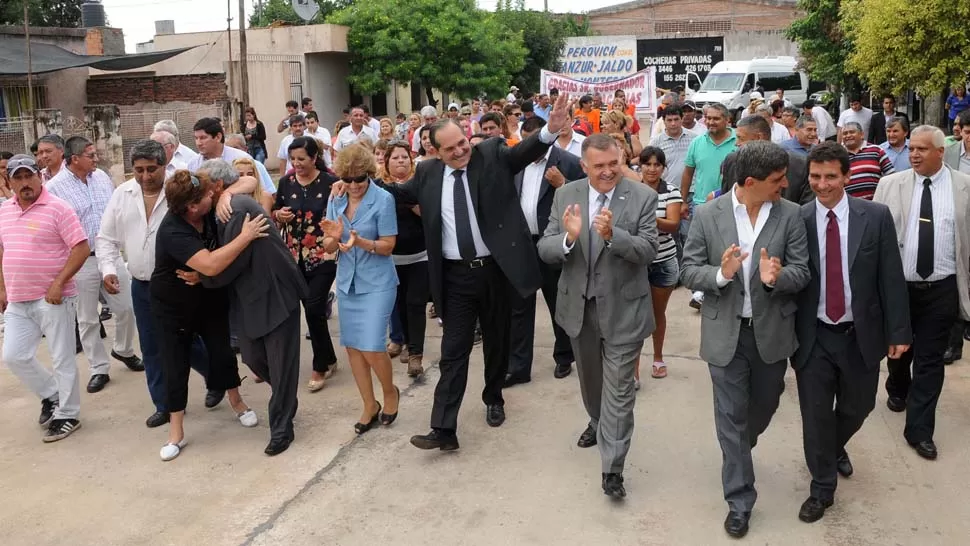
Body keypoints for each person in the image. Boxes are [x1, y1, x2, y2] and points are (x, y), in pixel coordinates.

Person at [348, 94, 571, 452]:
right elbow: (398, 192)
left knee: (497, 342)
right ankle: (443, 428)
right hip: (455, 278)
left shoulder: (492, 155)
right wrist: (355, 183)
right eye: (450, 148)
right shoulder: (428, 173)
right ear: (435, 151)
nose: (460, 151)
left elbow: (522, 153)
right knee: (453, 350)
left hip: (496, 271)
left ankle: (493, 396)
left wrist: (550, 131)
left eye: (463, 143)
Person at [681, 141, 810, 538]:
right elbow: (688, 270)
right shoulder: (708, 214)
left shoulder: (790, 216)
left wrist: (778, 278)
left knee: (764, 406)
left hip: (771, 334)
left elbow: (802, 271)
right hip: (725, 334)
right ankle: (739, 499)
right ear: (750, 182)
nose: (785, 185)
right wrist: (720, 275)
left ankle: (738, 446)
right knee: (731, 417)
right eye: (777, 180)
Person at [792, 142, 911, 523]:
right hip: (814, 334)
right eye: (815, 176)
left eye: (830, 176)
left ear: (846, 176)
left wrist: (899, 332)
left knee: (859, 407)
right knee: (815, 414)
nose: (822, 184)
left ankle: (833, 445)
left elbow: (891, 278)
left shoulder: (875, 217)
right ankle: (821, 487)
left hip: (861, 334)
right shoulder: (797, 219)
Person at [537, 134, 659, 498]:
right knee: (592, 383)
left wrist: (613, 235)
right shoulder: (566, 195)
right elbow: (545, 247)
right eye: (599, 166)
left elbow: (649, 250)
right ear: (585, 166)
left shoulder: (642, 197)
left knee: (620, 389)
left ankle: (613, 468)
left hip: (625, 309)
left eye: (614, 164)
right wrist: (568, 239)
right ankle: (596, 420)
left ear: (622, 160)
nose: (608, 172)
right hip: (579, 308)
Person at [96, 140, 219, 428]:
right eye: (138, 170)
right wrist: (108, 269)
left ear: (164, 165)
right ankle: (164, 404)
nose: (145, 176)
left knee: (186, 341)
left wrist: (204, 271)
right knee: (152, 346)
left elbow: (208, 222)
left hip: (181, 282)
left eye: (152, 169)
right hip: (141, 285)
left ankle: (218, 378)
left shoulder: (179, 193)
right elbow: (106, 238)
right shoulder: (122, 194)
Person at [151, 170, 265, 461]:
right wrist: (246, 236)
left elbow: (249, 180)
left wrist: (227, 193)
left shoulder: (211, 205)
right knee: (175, 363)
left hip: (208, 294)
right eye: (207, 196)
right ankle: (176, 431)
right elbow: (212, 264)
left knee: (222, 351)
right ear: (191, 207)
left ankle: (237, 402)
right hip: (173, 303)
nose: (213, 195)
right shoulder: (173, 230)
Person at [195, 163, 307, 456]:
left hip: (275, 291)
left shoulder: (237, 208)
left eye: (207, 187)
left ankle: (282, 427)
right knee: (254, 357)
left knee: (280, 363)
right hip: (250, 296)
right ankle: (286, 397)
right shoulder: (224, 204)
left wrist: (202, 275)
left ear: (217, 187)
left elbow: (232, 261)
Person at [873, 125, 970, 461]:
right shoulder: (889, 186)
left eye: (922, 149)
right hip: (899, 287)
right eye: (911, 149)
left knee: (930, 360)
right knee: (899, 352)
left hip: (942, 286)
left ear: (941, 152)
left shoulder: (964, 187)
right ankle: (897, 387)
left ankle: (919, 430)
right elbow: (875, 239)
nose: (913, 154)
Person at [0, 154, 89, 442]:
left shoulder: (58, 208)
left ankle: (68, 413)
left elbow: (80, 248)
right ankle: (51, 394)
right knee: (13, 355)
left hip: (54, 298)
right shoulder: (4, 211)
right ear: (9, 181)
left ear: (40, 177)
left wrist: (59, 283)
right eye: (18, 178)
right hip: (18, 298)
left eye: (30, 176)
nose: (25, 183)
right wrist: (2, 288)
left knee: (62, 357)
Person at [46, 136, 143, 394]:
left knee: (126, 308)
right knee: (87, 319)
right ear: (74, 158)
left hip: (109, 254)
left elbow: (116, 212)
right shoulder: (55, 187)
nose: (96, 158)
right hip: (81, 261)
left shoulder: (101, 177)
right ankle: (99, 368)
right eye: (91, 154)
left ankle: (123, 349)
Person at [320, 144, 401, 434]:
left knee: (373, 345)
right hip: (347, 282)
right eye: (348, 178)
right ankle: (369, 404)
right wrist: (332, 239)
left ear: (369, 174)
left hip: (378, 282)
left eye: (360, 178)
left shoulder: (383, 200)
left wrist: (359, 241)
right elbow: (330, 245)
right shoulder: (336, 198)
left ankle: (389, 392)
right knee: (353, 346)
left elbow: (388, 246)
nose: (354, 185)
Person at [506, 117, 584, 387]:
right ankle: (518, 366)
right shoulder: (515, 164)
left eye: (534, 141)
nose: (530, 147)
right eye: (525, 141)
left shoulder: (569, 162)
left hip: (552, 245)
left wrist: (563, 184)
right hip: (522, 246)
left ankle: (564, 356)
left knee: (557, 302)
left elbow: (586, 202)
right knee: (519, 307)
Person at [273, 137, 341, 391]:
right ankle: (330, 357)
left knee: (314, 308)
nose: (296, 164)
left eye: (302, 158)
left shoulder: (331, 183)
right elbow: (277, 211)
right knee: (311, 311)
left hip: (323, 255)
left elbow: (340, 215)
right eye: (293, 159)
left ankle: (319, 365)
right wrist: (279, 215)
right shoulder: (286, 182)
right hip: (294, 256)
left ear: (314, 158)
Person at [379, 140, 428, 377]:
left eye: (404, 157)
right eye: (395, 157)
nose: (401, 161)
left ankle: (416, 355)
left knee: (415, 304)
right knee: (398, 306)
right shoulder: (379, 188)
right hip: (391, 259)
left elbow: (429, 213)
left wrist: (410, 200)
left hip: (420, 256)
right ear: (386, 163)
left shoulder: (420, 183)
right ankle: (405, 342)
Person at [636, 146, 681, 383]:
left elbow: (673, 225)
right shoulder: (630, 191)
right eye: (647, 164)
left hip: (663, 261)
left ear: (663, 168)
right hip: (635, 262)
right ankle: (632, 366)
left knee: (656, 314)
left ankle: (658, 357)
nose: (652, 169)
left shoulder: (671, 192)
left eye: (657, 165)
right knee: (633, 315)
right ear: (640, 166)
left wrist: (647, 218)